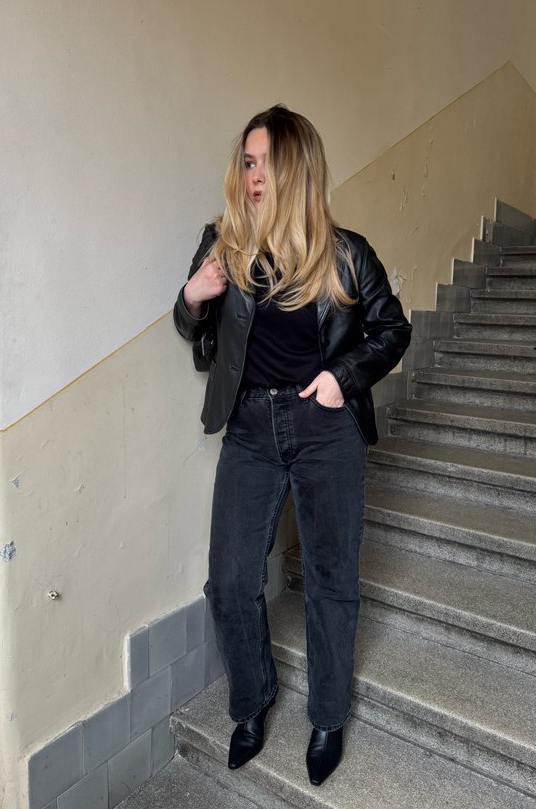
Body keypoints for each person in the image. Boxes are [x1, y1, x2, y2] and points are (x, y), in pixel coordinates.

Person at [173, 105, 411, 786]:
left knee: (331, 580)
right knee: (230, 580)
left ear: (296, 169)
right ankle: (252, 700)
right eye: (246, 162)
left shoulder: (346, 252)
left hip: (324, 428)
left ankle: (329, 716)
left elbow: (392, 331)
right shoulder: (221, 245)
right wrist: (194, 294)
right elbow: (191, 323)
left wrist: (343, 375)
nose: (252, 176)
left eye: (265, 163)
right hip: (250, 424)